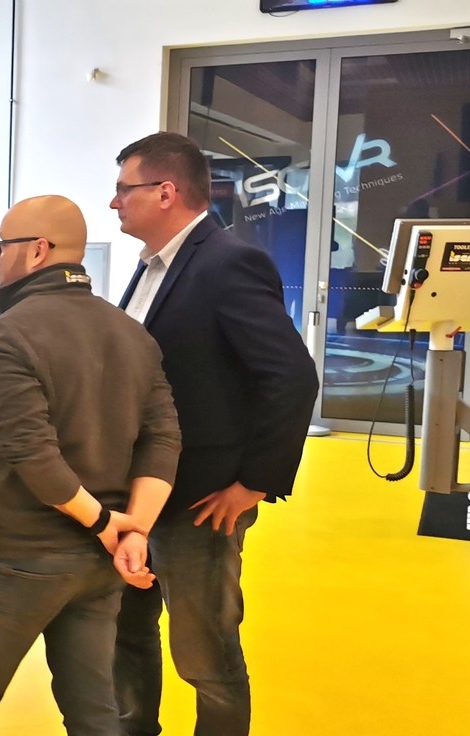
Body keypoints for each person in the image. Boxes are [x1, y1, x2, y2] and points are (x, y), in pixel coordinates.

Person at [0, 195, 182, 735]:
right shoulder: (132, 333)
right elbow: (162, 439)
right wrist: (133, 529)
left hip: (20, 558)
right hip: (99, 565)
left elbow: (30, 451)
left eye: (2, 246)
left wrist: (103, 521)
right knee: (93, 714)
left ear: (38, 250)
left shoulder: (10, 332)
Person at [109, 132, 319, 736]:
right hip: (136, 494)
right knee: (125, 633)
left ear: (165, 192)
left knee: (205, 654)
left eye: (123, 189)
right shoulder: (151, 266)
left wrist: (253, 483)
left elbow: (291, 376)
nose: (114, 202)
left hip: (199, 500)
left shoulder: (228, 262)